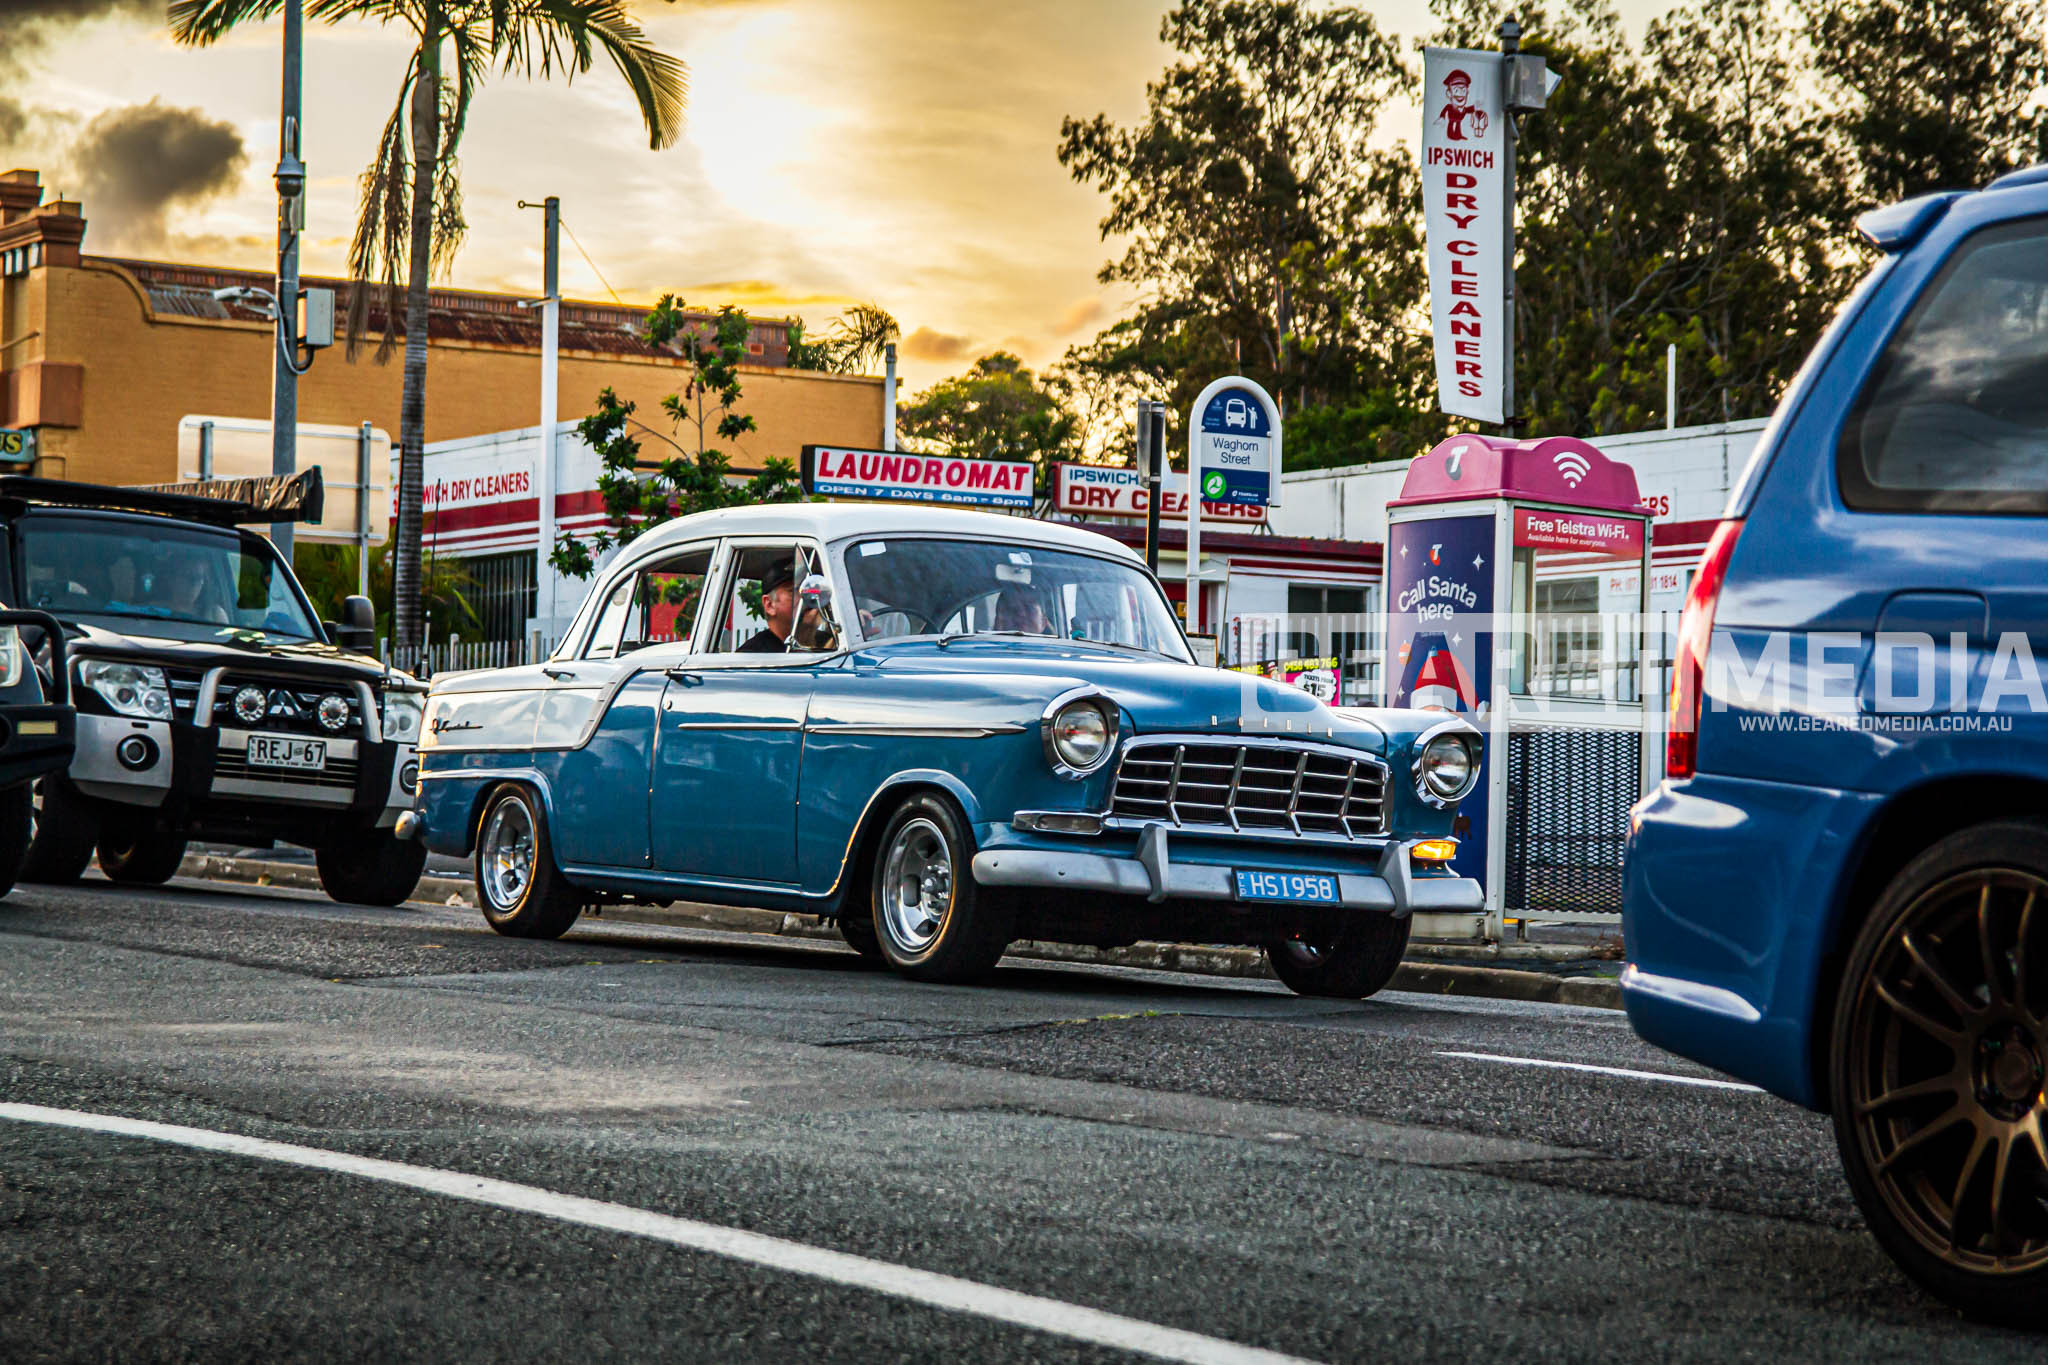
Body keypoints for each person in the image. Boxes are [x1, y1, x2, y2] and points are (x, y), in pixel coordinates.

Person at [737, 559, 797, 653]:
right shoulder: (753, 655)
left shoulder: (821, 644)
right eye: (793, 592)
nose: (807, 597)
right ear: (769, 605)